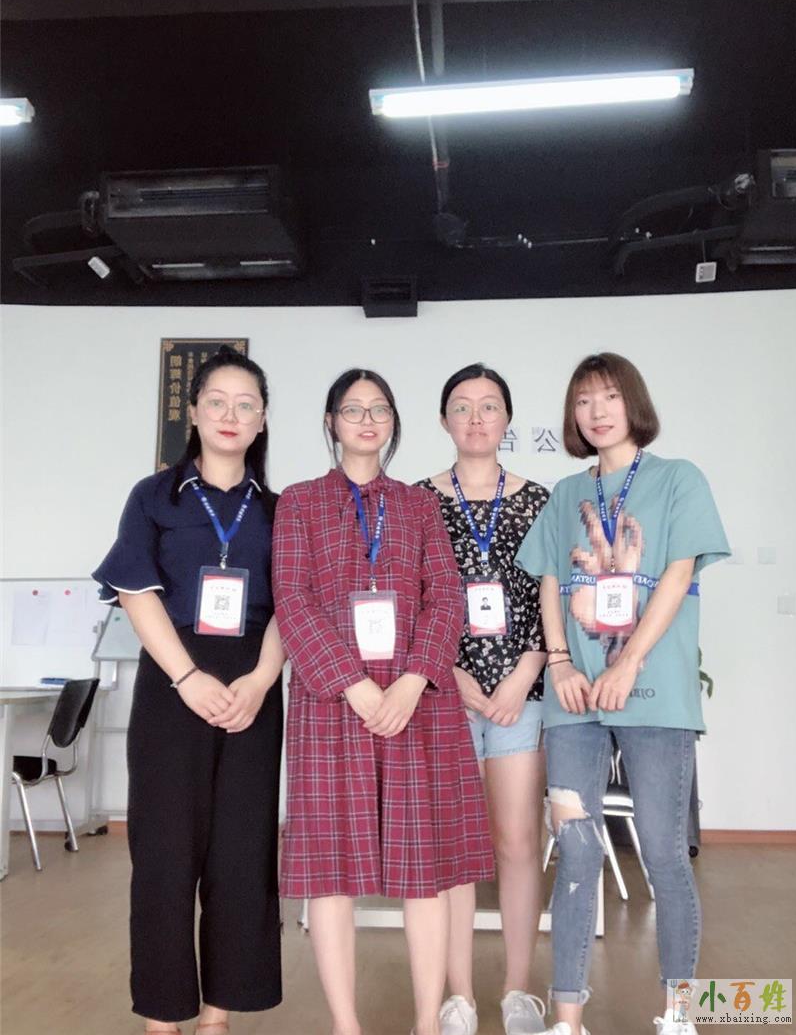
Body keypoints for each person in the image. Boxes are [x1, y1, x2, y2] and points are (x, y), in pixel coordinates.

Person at [272, 368, 495, 1035]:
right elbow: (292, 600)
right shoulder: (298, 502)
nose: (367, 420)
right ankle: (346, 1024)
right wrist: (354, 683)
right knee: (331, 873)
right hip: (330, 703)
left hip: (414, 704)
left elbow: (446, 596)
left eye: (379, 410)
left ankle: (427, 1020)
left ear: (394, 422)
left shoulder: (419, 504)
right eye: (353, 409)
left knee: (423, 869)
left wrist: (413, 680)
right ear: (331, 422)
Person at [515, 352, 730, 1035]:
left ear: (632, 401)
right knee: (576, 850)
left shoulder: (677, 479)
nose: (597, 411)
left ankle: (680, 1014)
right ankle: (568, 1018)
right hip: (575, 699)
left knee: (663, 853)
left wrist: (630, 662)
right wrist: (560, 664)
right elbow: (551, 581)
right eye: (583, 401)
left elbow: (677, 576)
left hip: (654, 693)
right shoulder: (564, 495)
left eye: (608, 396)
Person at [93, 346, 285, 1035]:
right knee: (165, 854)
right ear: (195, 412)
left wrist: (261, 680)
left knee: (242, 854)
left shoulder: (281, 509)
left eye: (246, 404)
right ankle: (162, 1017)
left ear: (262, 420)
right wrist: (186, 676)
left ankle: (216, 1015)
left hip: (255, 688)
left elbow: (295, 605)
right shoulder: (154, 496)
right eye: (217, 402)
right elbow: (134, 589)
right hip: (172, 682)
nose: (231, 415)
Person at [418, 363, 550, 1035]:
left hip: (520, 692)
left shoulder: (540, 499)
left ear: (507, 419)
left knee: (518, 840)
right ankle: (460, 997)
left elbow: (551, 594)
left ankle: (519, 990)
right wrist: (452, 673)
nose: (476, 418)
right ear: (444, 420)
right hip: (446, 692)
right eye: (462, 406)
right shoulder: (417, 501)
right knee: (455, 845)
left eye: (489, 405)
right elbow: (413, 599)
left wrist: (526, 672)